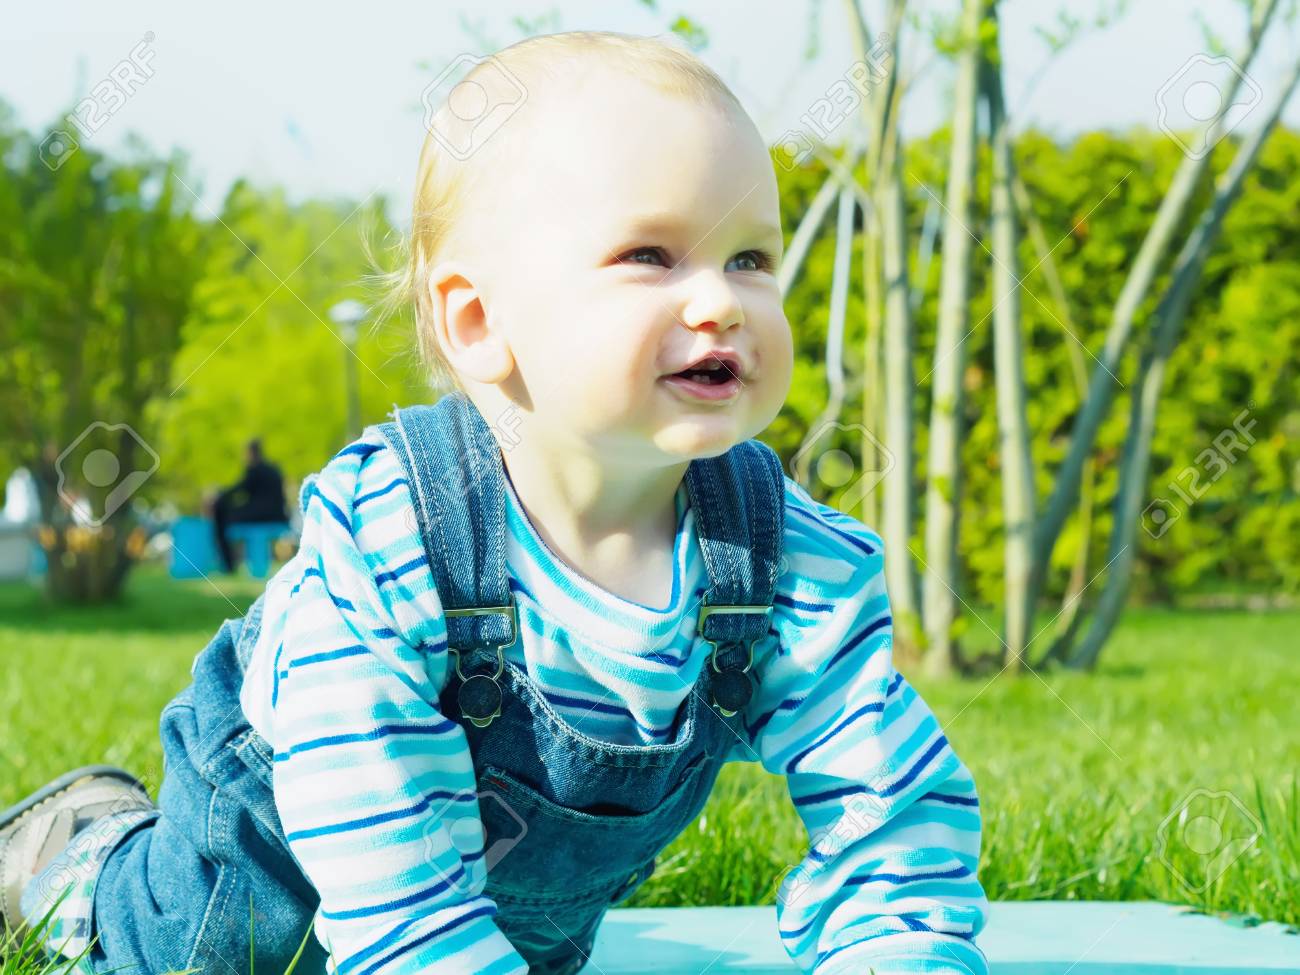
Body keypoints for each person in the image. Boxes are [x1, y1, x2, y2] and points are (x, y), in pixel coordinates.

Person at [0, 31, 989, 975]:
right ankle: (71, 855)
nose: (721, 301)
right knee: (157, 948)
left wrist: (897, 945)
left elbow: (889, 801)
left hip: (500, 935)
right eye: (650, 256)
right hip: (255, 882)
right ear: (479, 323)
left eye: (750, 259)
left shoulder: (782, 562)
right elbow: (374, 799)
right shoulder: (396, 530)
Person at [210, 438, 288, 573]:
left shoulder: (254, 470)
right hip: (279, 516)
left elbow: (241, 488)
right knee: (227, 510)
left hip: (261, 516)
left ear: (250, 453)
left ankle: (228, 565)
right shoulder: (274, 469)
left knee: (221, 511)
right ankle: (229, 564)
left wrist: (220, 495)